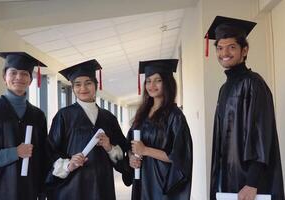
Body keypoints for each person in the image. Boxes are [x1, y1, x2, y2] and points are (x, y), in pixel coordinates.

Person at [206, 16, 285, 200]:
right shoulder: (225, 88)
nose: (224, 52)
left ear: (244, 50)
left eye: (231, 47)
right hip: (228, 179)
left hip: (250, 183)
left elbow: (261, 135)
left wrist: (252, 182)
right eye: (219, 48)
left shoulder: (253, 84)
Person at [0, 52, 53, 200]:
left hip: (29, 189)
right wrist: (15, 152)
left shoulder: (38, 115)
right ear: (4, 78)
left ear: (30, 80)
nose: (19, 77)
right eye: (13, 73)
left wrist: (43, 189)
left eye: (24, 74)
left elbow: (43, 157)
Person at [45, 59, 130, 200]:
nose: (83, 88)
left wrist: (109, 147)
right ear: (72, 88)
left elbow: (123, 151)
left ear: (96, 86)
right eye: (77, 84)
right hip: (72, 187)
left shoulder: (108, 117)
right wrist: (68, 164)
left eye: (88, 83)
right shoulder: (64, 115)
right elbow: (50, 151)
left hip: (102, 185)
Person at [127, 59, 193, 200]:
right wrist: (132, 158)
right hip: (143, 179)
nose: (152, 85)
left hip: (162, 182)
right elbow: (130, 144)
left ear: (167, 83)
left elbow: (180, 156)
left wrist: (145, 150)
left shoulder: (175, 116)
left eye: (158, 80)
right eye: (148, 81)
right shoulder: (142, 113)